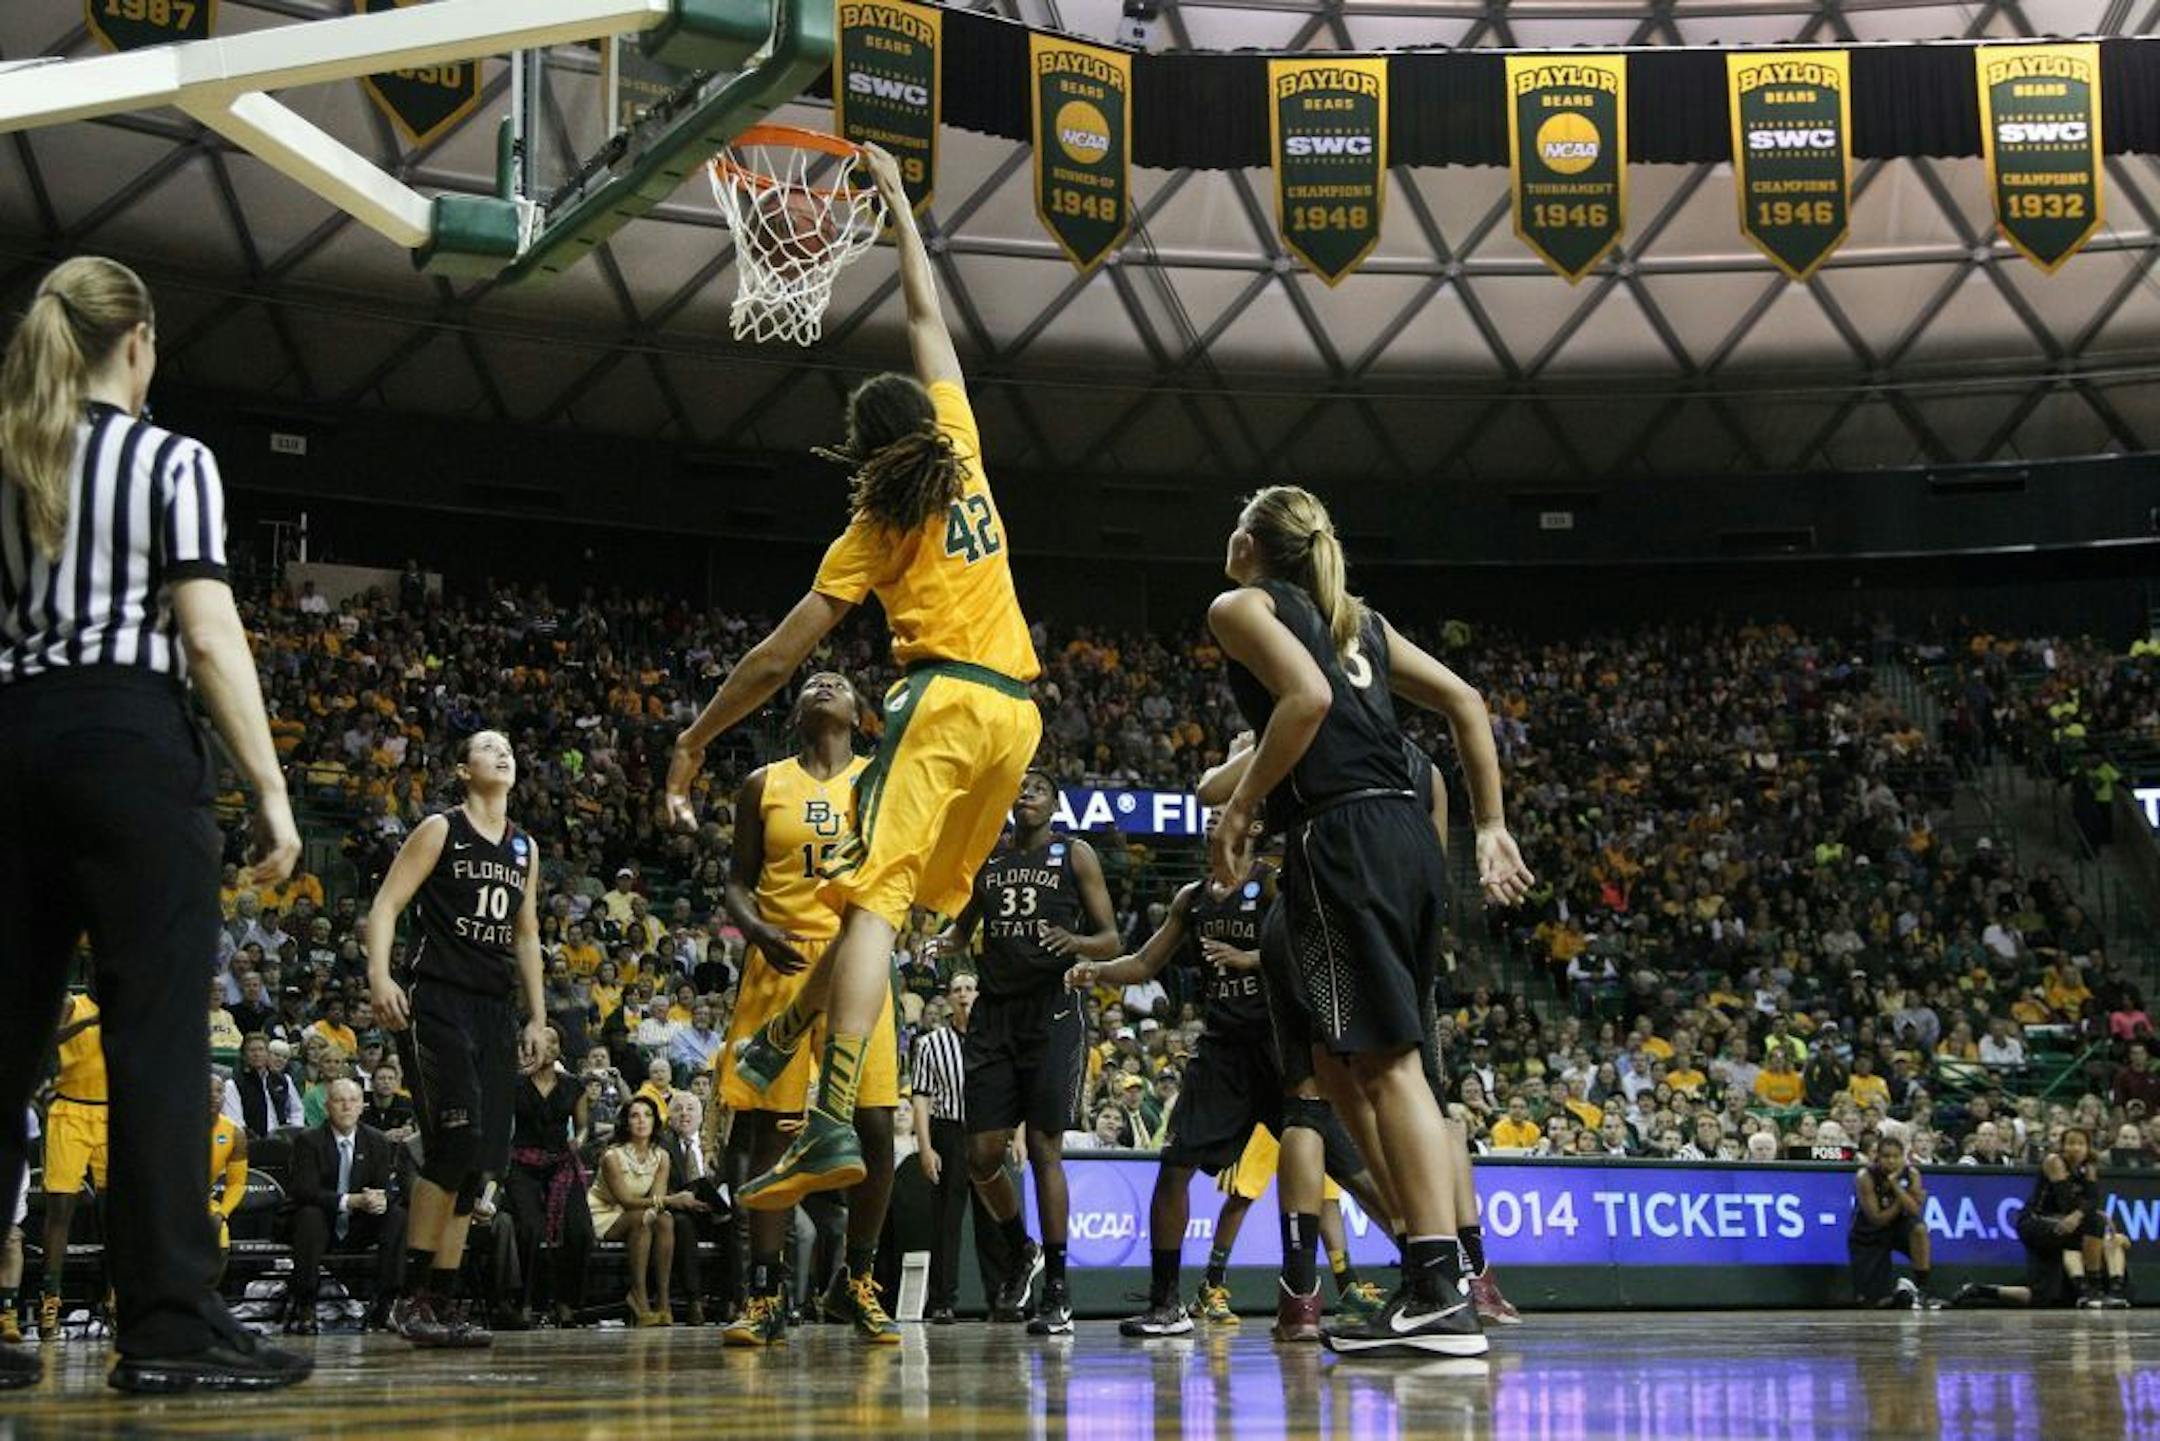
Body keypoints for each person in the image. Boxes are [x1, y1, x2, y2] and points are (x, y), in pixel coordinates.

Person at [666, 142, 1043, 1219]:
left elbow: (781, 655)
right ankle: (789, 1034)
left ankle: (828, 1113)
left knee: (869, 907)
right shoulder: (962, 446)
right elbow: (930, 321)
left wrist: (696, 737)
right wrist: (905, 219)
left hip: (942, 700)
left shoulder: (875, 523)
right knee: (897, 906)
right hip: (1018, 720)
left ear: (862, 451)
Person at [0, 260, 306, 1391]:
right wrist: (270, 789)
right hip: (126, 739)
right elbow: (210, 631)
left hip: (11, 737)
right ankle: (169, 1319)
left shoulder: (7, 456)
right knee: (157, 1038)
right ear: (135, 344)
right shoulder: (169, 459)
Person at [1203, 485, 1532, 1358]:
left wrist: (1240, 811)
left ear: (1250, 543)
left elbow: (1303, 699)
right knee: (1340, 1060)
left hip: (1341, 835)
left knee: (1387, 1066)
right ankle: (1434, 1270)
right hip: (1406, 835)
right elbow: (1466, 700)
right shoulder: (1361, 622)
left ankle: (1436, 1282)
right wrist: (1490, 825)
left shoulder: (1239, 604)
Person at [1070, 857, 1389, 1338]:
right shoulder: (1192, 897)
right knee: (1174, 1167)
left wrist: (1254, 958)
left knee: (1352, 1170)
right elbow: (1142, 963)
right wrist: (1096, 970)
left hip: (1282, 1047)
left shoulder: (1274, 882)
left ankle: (1431, 1274)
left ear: (1252, 821)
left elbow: (1314, 945)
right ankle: (1166, 1303)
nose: (1215, 818)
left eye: (1225, 809)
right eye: (1211, 813)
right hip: (1223, 1054)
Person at [715, 673, 901, 1346]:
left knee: (877, 1123)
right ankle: (765, 1293)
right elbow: (736, 882)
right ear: (796, 715)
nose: (824, 684)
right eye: (812, 682)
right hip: (782, 959)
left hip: (859, 955)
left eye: (839, 682)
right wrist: (758, 930)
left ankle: (856, 1281)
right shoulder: (763, 783)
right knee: (774, 1129)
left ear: (858, 712)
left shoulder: (882, 776)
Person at [365, 730, 548, 1349]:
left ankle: (442, 1299)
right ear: (463, 771)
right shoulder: (440, 829)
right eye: (489, 747)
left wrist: (538, 1016)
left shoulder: (525, 846)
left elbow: (526, 935)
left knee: (481, 1165)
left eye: (509, 748)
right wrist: (380, 975)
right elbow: (386, 906)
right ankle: (408, 1297)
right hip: (438, 998)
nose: (504, 752)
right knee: (454, 1142)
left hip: (495, 1008)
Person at [935, 769, 1122, 1336]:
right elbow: (962, 932)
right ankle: (1021, 1249)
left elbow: (1111, 939)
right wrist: (941, 943)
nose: (1026, 795)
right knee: (982, 1155)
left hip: (1052, 1011)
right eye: (1019, 789)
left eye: (1037, 789)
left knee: (1043, 1148)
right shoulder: (990, 861)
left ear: (1055, 804)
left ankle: (1059, 1288)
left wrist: (1078, 943)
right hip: (994, 1015)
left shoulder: (1075, 854)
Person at [908, 972, 1009, 1323]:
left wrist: (1019, 1135)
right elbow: (920, 1096)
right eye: (957, 990)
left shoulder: (994, 1039)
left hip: (987, 1131)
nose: (964, 995)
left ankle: (1001, 1298)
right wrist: (924, 1146)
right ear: (949, 999)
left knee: (993, 1220)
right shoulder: (930, 1042)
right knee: (946, 1222)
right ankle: (941, 1301)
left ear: (978, 994)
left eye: (969, 988)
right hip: (948, 1131)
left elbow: (1011, 1089)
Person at [283, 1078, 408, 1336]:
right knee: (309, 1215)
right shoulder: (309, 1140)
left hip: (357, 1224)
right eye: (339, 1101)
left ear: (362, 1106)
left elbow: (385, 1186)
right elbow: (304, 1191)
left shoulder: (376, 1141)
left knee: (396, 1216)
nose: (346, 1107)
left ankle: (385, 1306)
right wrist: (349, 1201)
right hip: (321, 1224)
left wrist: (381, 1199)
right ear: (328, 1107)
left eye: (352, 1101)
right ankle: (306, 1305)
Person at [1956, 1126, 2133, 1309]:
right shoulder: (2054, 1161)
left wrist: (2085, 1210)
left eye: (2081, 1144)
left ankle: (1977, 1290)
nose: (2076, 1148)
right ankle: (2093, 1292)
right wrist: (2086, 1213)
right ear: (2062, 1146)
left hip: (2059, 1226)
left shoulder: (2089, 1167)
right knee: (2094, 1222)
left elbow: (2093, 1199)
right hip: (2035, 1223)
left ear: (2088, 1147)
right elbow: (2066, 1202)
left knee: (2042, 1297)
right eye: (2071, 1143)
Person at [502, 1026, 594, 1328]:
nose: (549, 1046)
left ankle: (568, 1302)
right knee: (529, 1229)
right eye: (543, 1041)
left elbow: (582, 1127)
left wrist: (578, 1141)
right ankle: (526, 1302)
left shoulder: (573, 1086)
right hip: (523, 1163)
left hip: (562, 1164)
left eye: (554, 1041)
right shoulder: (514, 1083)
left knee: (580, 1230)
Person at [34, 990, 107, 1345]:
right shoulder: (72, 1004)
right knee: (61, 1208)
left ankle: (115, 1296)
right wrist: (90, 1022)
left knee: (115, 1212)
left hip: (111, 1111)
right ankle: (50, 1298)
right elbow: (47, 1040)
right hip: (70, 1109)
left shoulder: (129, 1002)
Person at [586, 1095, 674, 1327]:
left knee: (665, 1220)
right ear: (626, 1123)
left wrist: (662, 1206)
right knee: (641, 1220)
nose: (641, 1121)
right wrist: (675, 1199)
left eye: (647, 1115)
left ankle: (664, 1301)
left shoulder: (662, 1156)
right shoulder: (612, 1156)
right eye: (635, 1116)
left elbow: (657, 1200)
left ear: (655, 1121)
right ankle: (638, 1296)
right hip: (604, 1212)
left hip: (636, 1212)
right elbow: (625, 1200)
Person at [1847, 1135, 1943, 1308]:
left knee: (1920, 1229)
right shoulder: (1865, 1176)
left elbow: (1915, 1211)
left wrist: (1896, 1187)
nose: (1891, 1161)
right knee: (1872, 1302)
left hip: (1899, 1227)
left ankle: (1923, 1288)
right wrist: (1903, 1198)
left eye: (1896, 1156)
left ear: (1903, 1157)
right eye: (1886, 1156)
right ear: (1878, 1157)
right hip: (1868, 1234)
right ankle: (1900, 1295)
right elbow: (1877, 1219)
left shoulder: (1912, 1173)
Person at [206, 1076, 248, 1281]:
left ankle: (201, 1303)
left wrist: (222, 1213)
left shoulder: (234, 1133)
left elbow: (237, 1183)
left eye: (219, 1091)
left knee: (218, 1234)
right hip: (168, 1200)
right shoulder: (172, 1126)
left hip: (204, 1202)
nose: (214, 1096)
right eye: (207, 1090)